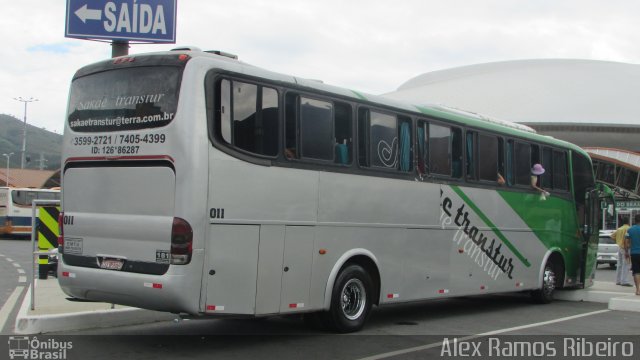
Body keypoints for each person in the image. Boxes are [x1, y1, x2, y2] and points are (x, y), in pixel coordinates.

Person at [610, 222, 633, 286]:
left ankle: (618, 280)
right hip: (626, 248)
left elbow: (612, 236)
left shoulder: (619, 229)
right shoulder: (629, 229)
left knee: (619, 264)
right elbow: (628, 239)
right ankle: (624, 281)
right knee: (626, 264)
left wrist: (618, 241)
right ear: (628, 222)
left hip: (619, 247)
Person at [625, 214, 640, 295]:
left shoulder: (630, 230)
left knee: (636, 271)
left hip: (634, 253)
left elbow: (626, 242)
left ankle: (638, 290)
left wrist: (627, 252)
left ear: (635, 220)